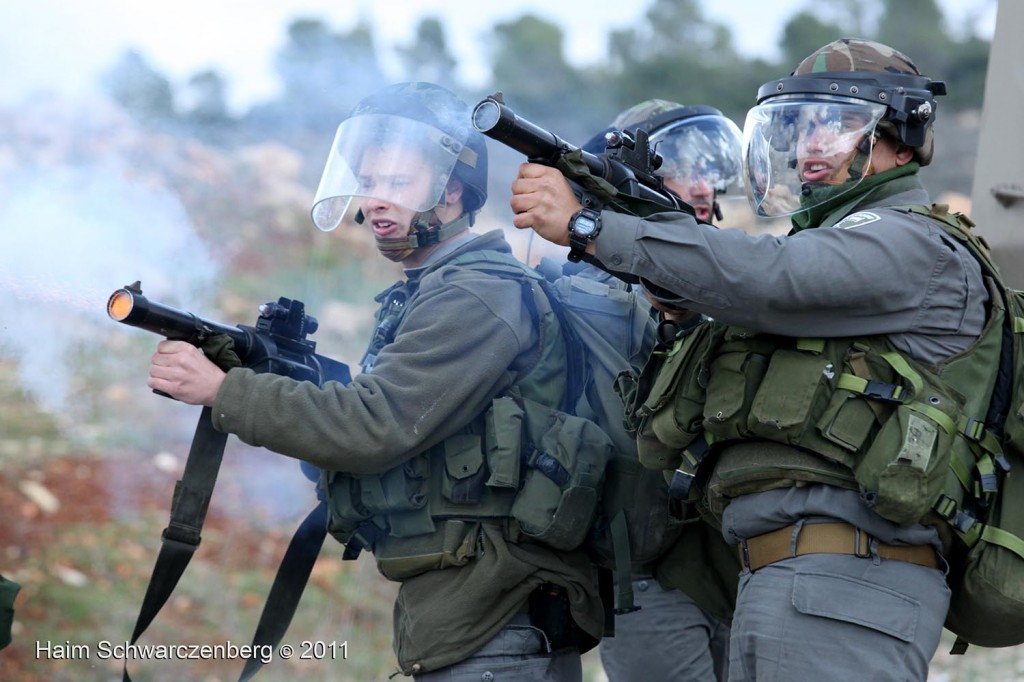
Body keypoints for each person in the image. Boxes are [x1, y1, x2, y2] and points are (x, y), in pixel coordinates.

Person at [507, 39, 979, 681]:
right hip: (788, 577)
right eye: (802, 125)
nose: (811, 143)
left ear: (903, 136)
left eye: (837, 124)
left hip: (847, 582)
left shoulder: (909, 240)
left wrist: (593, 230)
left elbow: (767, 274)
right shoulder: (836, 246)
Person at [146, 82, 605, 680]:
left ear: (452, 191)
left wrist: (223, 392)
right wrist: (276, 376)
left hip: (499, 624)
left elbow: (374, 426)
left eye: (397, 183)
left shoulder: (476, 293)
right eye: (370, 183)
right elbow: (370, 449)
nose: (376, 201)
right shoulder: (430, 291)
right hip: (466, 618)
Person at [580, 99, 742, 682]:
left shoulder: (733, 276)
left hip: (731, 561)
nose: (702, 186)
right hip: (646, 572)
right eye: (682, 167)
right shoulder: (588, 288)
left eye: (710, 168)